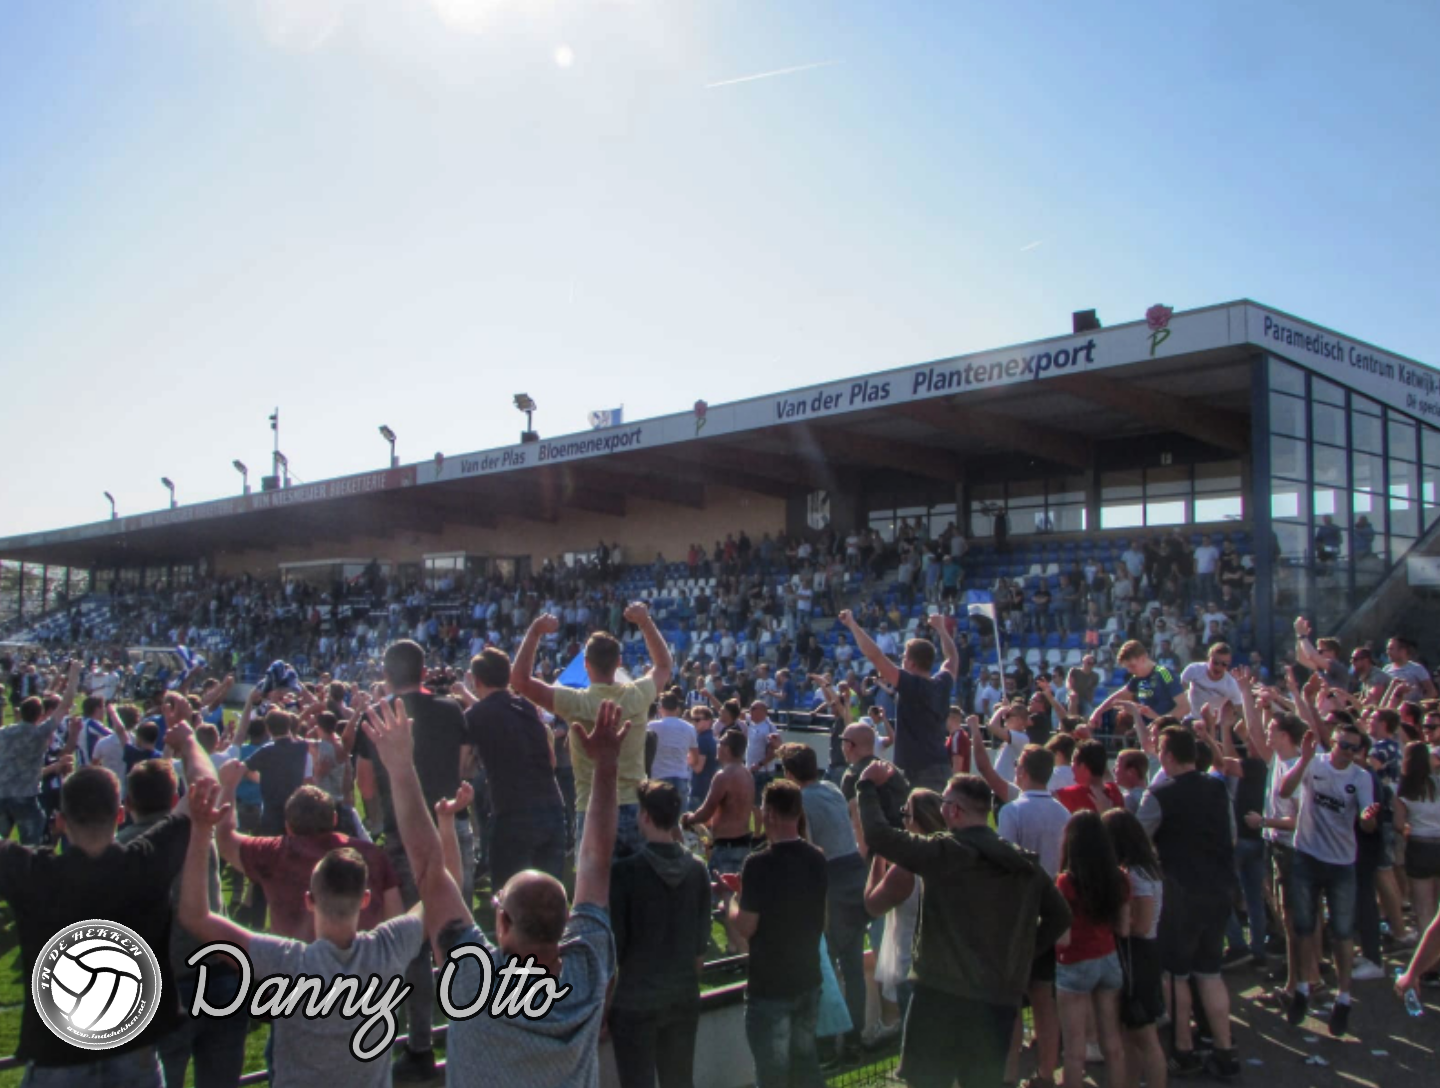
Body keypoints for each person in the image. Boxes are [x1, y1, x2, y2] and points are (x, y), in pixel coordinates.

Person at [366, 694, 629, 1088]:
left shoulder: (472, 981)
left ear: (502, 922)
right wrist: (607, 765)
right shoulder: (589, 968)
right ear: (565, 924)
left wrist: (400, 766)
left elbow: (428, 869)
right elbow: (595, 860)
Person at [0, 706, 214, 1088]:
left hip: (56, 1054)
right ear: (119, 815)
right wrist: (189, 742)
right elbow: (205, 789)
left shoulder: (31, 872)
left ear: (60, 820)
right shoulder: (147, 861)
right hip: (135, 1050)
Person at [178, 778, 429, 1088]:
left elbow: (196, 915)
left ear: (310, 901)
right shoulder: (387, 945)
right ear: (364, 899)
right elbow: (429, 895)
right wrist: (430, 806)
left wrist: (201, 830)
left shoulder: (286, 960)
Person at [857, 766, 1071, 1088]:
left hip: (940, 993)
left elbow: (878, 836)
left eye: (945, 803)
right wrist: (1022, 953)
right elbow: (1061, 916)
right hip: (996, 996)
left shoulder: (946, 851)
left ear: (954, 810)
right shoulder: (1022, 863)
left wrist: (865, 786)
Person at [349, 639, 472, 1082]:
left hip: (404, 833)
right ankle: (470, 1033)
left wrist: (379, 816)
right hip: (452, 825)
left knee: (414, 943)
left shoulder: (375, 715)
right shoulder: (452, 709)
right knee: (459, 931)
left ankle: (420, 1044)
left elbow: (365, 783)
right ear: (424, 672)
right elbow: (465, 764)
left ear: (386, 674)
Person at [115, 758, 249, 1088]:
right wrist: (189, 742)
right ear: (175, 798)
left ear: (128, 803)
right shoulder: (198, 834)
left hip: (161, 987)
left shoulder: (119, 850)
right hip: (217, 975)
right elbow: (207, 782)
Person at [513, 602, 673, 857]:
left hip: (592, 807)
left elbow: (520, 681)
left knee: (592, 881)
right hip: (634, 806)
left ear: (586, 664)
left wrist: (534, 632)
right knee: (637, 880)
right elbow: (663, 665)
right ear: (619, 662)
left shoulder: (575, 702)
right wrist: (645, 622)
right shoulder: (637, 695)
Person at [1137, 726, 1241, 1078]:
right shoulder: (1218, 788)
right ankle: (1225, 1050)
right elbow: (1232, 835)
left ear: (1167, 755)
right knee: (1210, 971)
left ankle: (1183, 1048)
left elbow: (1138, 839)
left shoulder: (1159, 794)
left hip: (1181, 892)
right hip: (1219, 888)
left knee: (1176, 974)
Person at [213, 768, 403, 940]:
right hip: (361, 962)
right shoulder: (371, 855)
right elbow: (396, 920)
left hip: (294, 962)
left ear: (287, 826)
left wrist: (228, 786)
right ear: (334, 819)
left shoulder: (273, 852)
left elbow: (224, 839)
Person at [726, 780, 829, 1088]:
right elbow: (822, 919)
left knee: (773, 1075)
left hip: (770, 988)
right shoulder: (817, 858)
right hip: (808, 980)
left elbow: (746, 926)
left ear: (769, 813)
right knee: (806, 1067)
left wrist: (730, 901)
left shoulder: (758, 864)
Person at [608, 780, 711, 1088]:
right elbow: (700, 950)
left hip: (635, 1000)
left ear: (645, 816)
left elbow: (615, 949)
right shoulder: (698, 870)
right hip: (682, 995)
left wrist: (605, 1002)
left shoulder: (625, 873)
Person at [1278, 721, 1377, 1036]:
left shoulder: (1360, 777)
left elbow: (1367, 823)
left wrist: (1369, 817)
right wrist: (1305, 760)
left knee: (1342, 932)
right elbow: (1284, 791)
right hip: (1307, 855)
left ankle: (1344, 998)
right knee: (1303, 926)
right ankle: (1303, 988)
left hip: (1341, 862)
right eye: (1343, 745)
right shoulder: (1315, 763)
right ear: (1332, 743)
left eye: (1354, 748)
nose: (1347, 752)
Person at [778, 742, 869, 1061]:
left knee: (824, 966)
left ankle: (827, 1044)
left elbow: (809, 850)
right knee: (854, 967)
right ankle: (854, 1040)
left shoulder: (800, 802)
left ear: (790, 773)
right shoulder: (831, 788)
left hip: (831, 880)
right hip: (855, 875)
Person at [464, 647, 566, 889]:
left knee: (510, 896)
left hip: (512, 812)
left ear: (476, 681)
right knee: (548, 897)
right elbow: (551, 760)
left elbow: (461, 766)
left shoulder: (475, 714)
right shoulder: (528, 708)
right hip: (552, 808)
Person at [840, 610, 958, 791]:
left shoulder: (912, 685)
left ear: (911, 663)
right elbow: (952, 658)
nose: (902, 661)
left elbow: (876, 656)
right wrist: (941, 629)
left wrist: (852, 624)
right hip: (942, 766)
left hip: (918, 772)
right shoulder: (942, 683)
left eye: (904, 658)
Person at [863, 789, 946, 1047]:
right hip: (948, 966)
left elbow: (872, 905)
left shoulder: (905, 870)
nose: (902, 820)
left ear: (916, 821)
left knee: (920, 1050)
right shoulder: (952, 855)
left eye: (905, 814)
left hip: (913, 970)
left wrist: (878, 858)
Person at [1054, 811, 1129, 1088]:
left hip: (1075, 961)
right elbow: (1123, 928)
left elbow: (1063, 938)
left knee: (1074, 1051)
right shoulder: (1120, 878)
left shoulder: (1066, 883)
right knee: (1113, 1045)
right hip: (1108, 958)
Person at [1101, 809, 1168, 1088]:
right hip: (1145, 954)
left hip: (1137, 955)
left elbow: (1140, 925)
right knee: (1132, 1035)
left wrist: (1117, 919)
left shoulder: (1136, 875)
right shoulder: (1149, 869)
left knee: (1145, 1036)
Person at [683, 730, 756, 953]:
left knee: (724, 899)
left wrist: (689, 819)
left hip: (727, 847)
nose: (717, 745)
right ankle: (739, 948)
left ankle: (737, 949)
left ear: (727, 748)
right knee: (738, 897)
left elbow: (707, 810)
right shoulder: (746, 773)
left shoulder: (724, 776)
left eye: (721, 742)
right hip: (742, 843)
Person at [0, 660, 80, 845]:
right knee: (32, 846)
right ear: (40, 715)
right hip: (26, 796)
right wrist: (74, 674)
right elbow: (66, 704)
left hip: (2, 794)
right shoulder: (39, 733)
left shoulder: (4, 733)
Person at [1395, 742, 1440, 963]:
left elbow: (1398, 824)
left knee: (1424, 910)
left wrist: (1408, 828)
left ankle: (1429, 965)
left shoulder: (1404, 789)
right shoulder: (1438, 783)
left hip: (1419, 846)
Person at [1092, 641, 1190, 727]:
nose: (1129, 671)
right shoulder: (1137, 678)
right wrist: (1098, 712)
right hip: (1147, 732)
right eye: (1127, 667)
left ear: (1143, 658)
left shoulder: (1164, 673)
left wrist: (1159, 722)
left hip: (1166, 732)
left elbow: (1184, 707)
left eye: (1132, 666)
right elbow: (1119, 697)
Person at [839, 721, 911, 831]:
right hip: (900, 835)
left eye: (843, 742)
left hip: (872, 837)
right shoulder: (893, 770)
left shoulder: (852, 776)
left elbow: (850, 820)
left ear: (849, 746)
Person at [647, 692, 699, 810]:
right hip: (680, 777)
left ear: (660, 708)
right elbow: (695, 759)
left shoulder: (652, 726)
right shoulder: (689, 728)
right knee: (679, 818)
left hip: (658, 779)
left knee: (658, 818)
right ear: (677, 708)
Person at [1180, 642, 1243, 718]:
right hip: (1190, 718)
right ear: (1208, 659)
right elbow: (1179, 693)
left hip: (1214, 723)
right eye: (1215, 662)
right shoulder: (1194, 669)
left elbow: (1240, 710)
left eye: (1224, 664)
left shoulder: (1231, 684)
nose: (1218, 667)